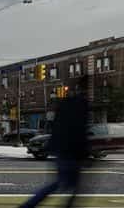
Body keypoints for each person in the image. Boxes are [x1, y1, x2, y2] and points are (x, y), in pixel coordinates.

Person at [20, 77, 89, 207]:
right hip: (72, 152)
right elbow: (80, 130)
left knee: (62, 185)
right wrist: (84, 153)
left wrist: (51, 146)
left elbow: (55, 127)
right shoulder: (82, 104)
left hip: (60, 150)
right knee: (71, 186)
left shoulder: (64, 103)